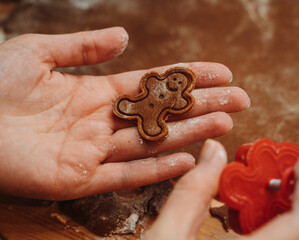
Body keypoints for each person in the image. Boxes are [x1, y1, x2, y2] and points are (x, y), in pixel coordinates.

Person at [0, 27, 297, 239]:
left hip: (152, 116)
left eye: (180, 84)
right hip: (141, 106)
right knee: (137, 109)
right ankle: (133, 110)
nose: (176, 85)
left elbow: (180, 102)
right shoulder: (152, 83)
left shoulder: (179, 98)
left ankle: (142, 116)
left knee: (154, 121)